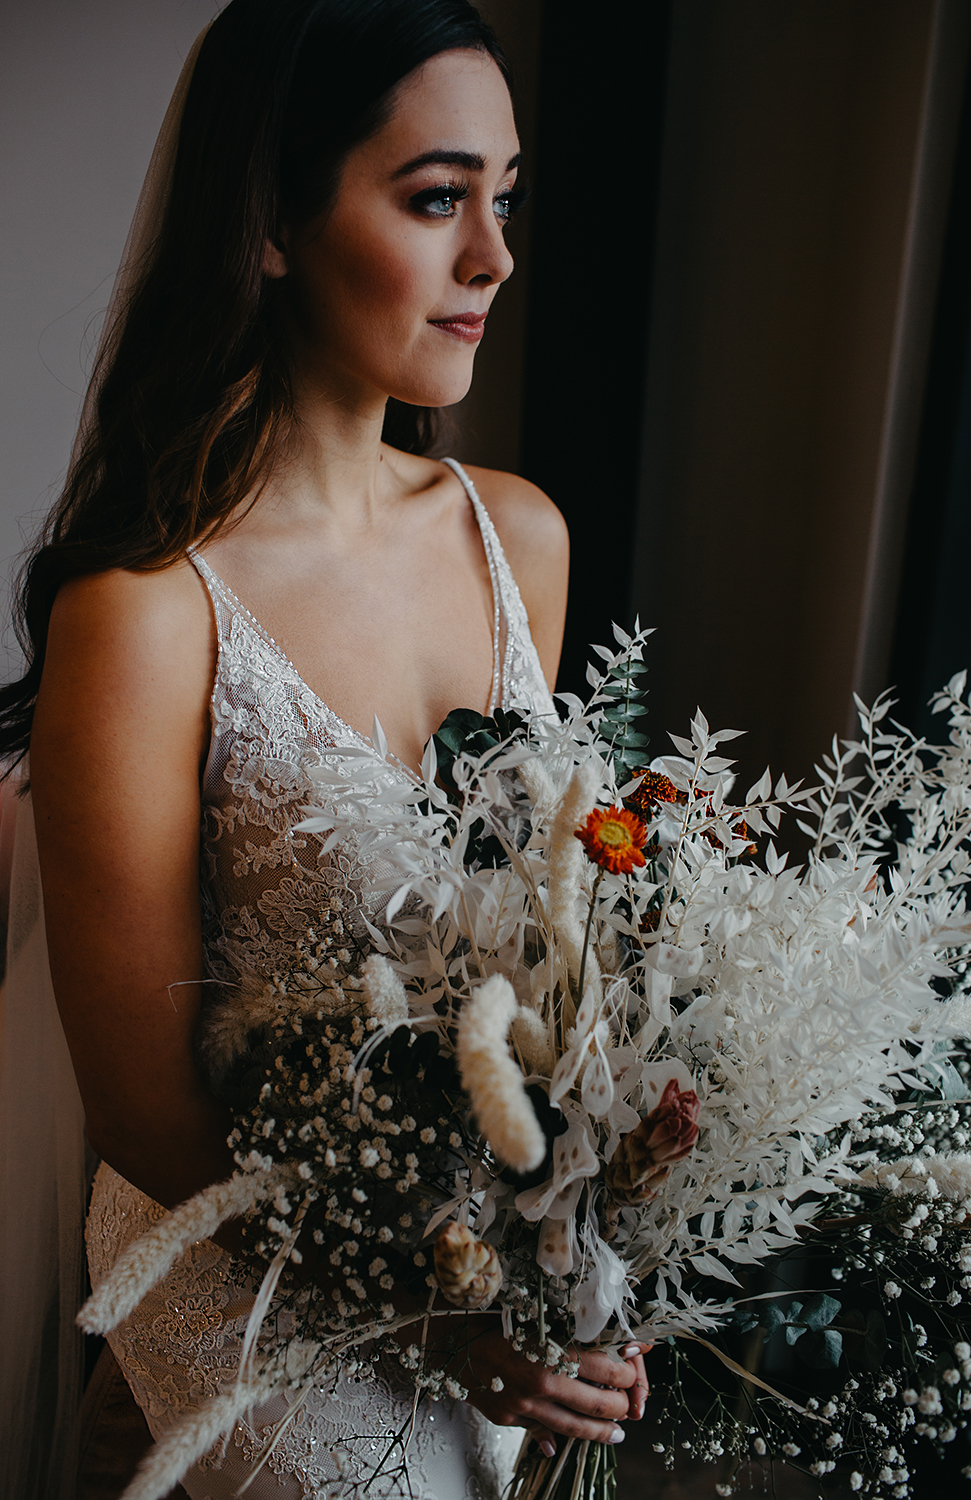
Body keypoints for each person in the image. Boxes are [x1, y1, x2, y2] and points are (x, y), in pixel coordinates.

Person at [0, 3, 649, 1497]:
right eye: (435, 199)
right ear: (275, 224)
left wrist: (596, 1269)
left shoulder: (521, 538)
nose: (493, 256)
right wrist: (434, 1313)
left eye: (505, 197)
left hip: (495, 1312)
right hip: (246, 1321)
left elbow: (545, 953)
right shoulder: (148, 613)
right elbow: (146, 1109)